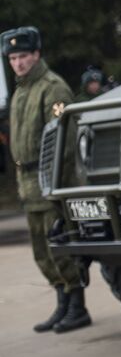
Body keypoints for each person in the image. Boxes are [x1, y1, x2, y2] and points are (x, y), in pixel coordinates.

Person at [3, 26, 91, 333]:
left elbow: (63, 140)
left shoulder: (51, 87)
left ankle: (77, 305)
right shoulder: (21, 91)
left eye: (23, 56)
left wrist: (52, 181)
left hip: (49, 180)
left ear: (36, 54)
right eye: (13, 57)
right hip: (27, 182)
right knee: (42, 250)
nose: (18, 63)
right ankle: (63, 303)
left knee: (60, 244)